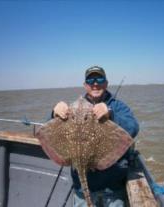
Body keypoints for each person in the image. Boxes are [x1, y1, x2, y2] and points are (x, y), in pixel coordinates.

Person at [52, 66, 139, 207]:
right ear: (85, 85)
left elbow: (133, 128)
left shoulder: (117, 106)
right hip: (82, 190)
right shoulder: (73, 108)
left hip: (113, 189)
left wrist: (111, 114)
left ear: (106, 83)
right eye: (91, 80)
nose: (95, 83)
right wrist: (54, 113)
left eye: (99, 79)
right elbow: (46, 131)